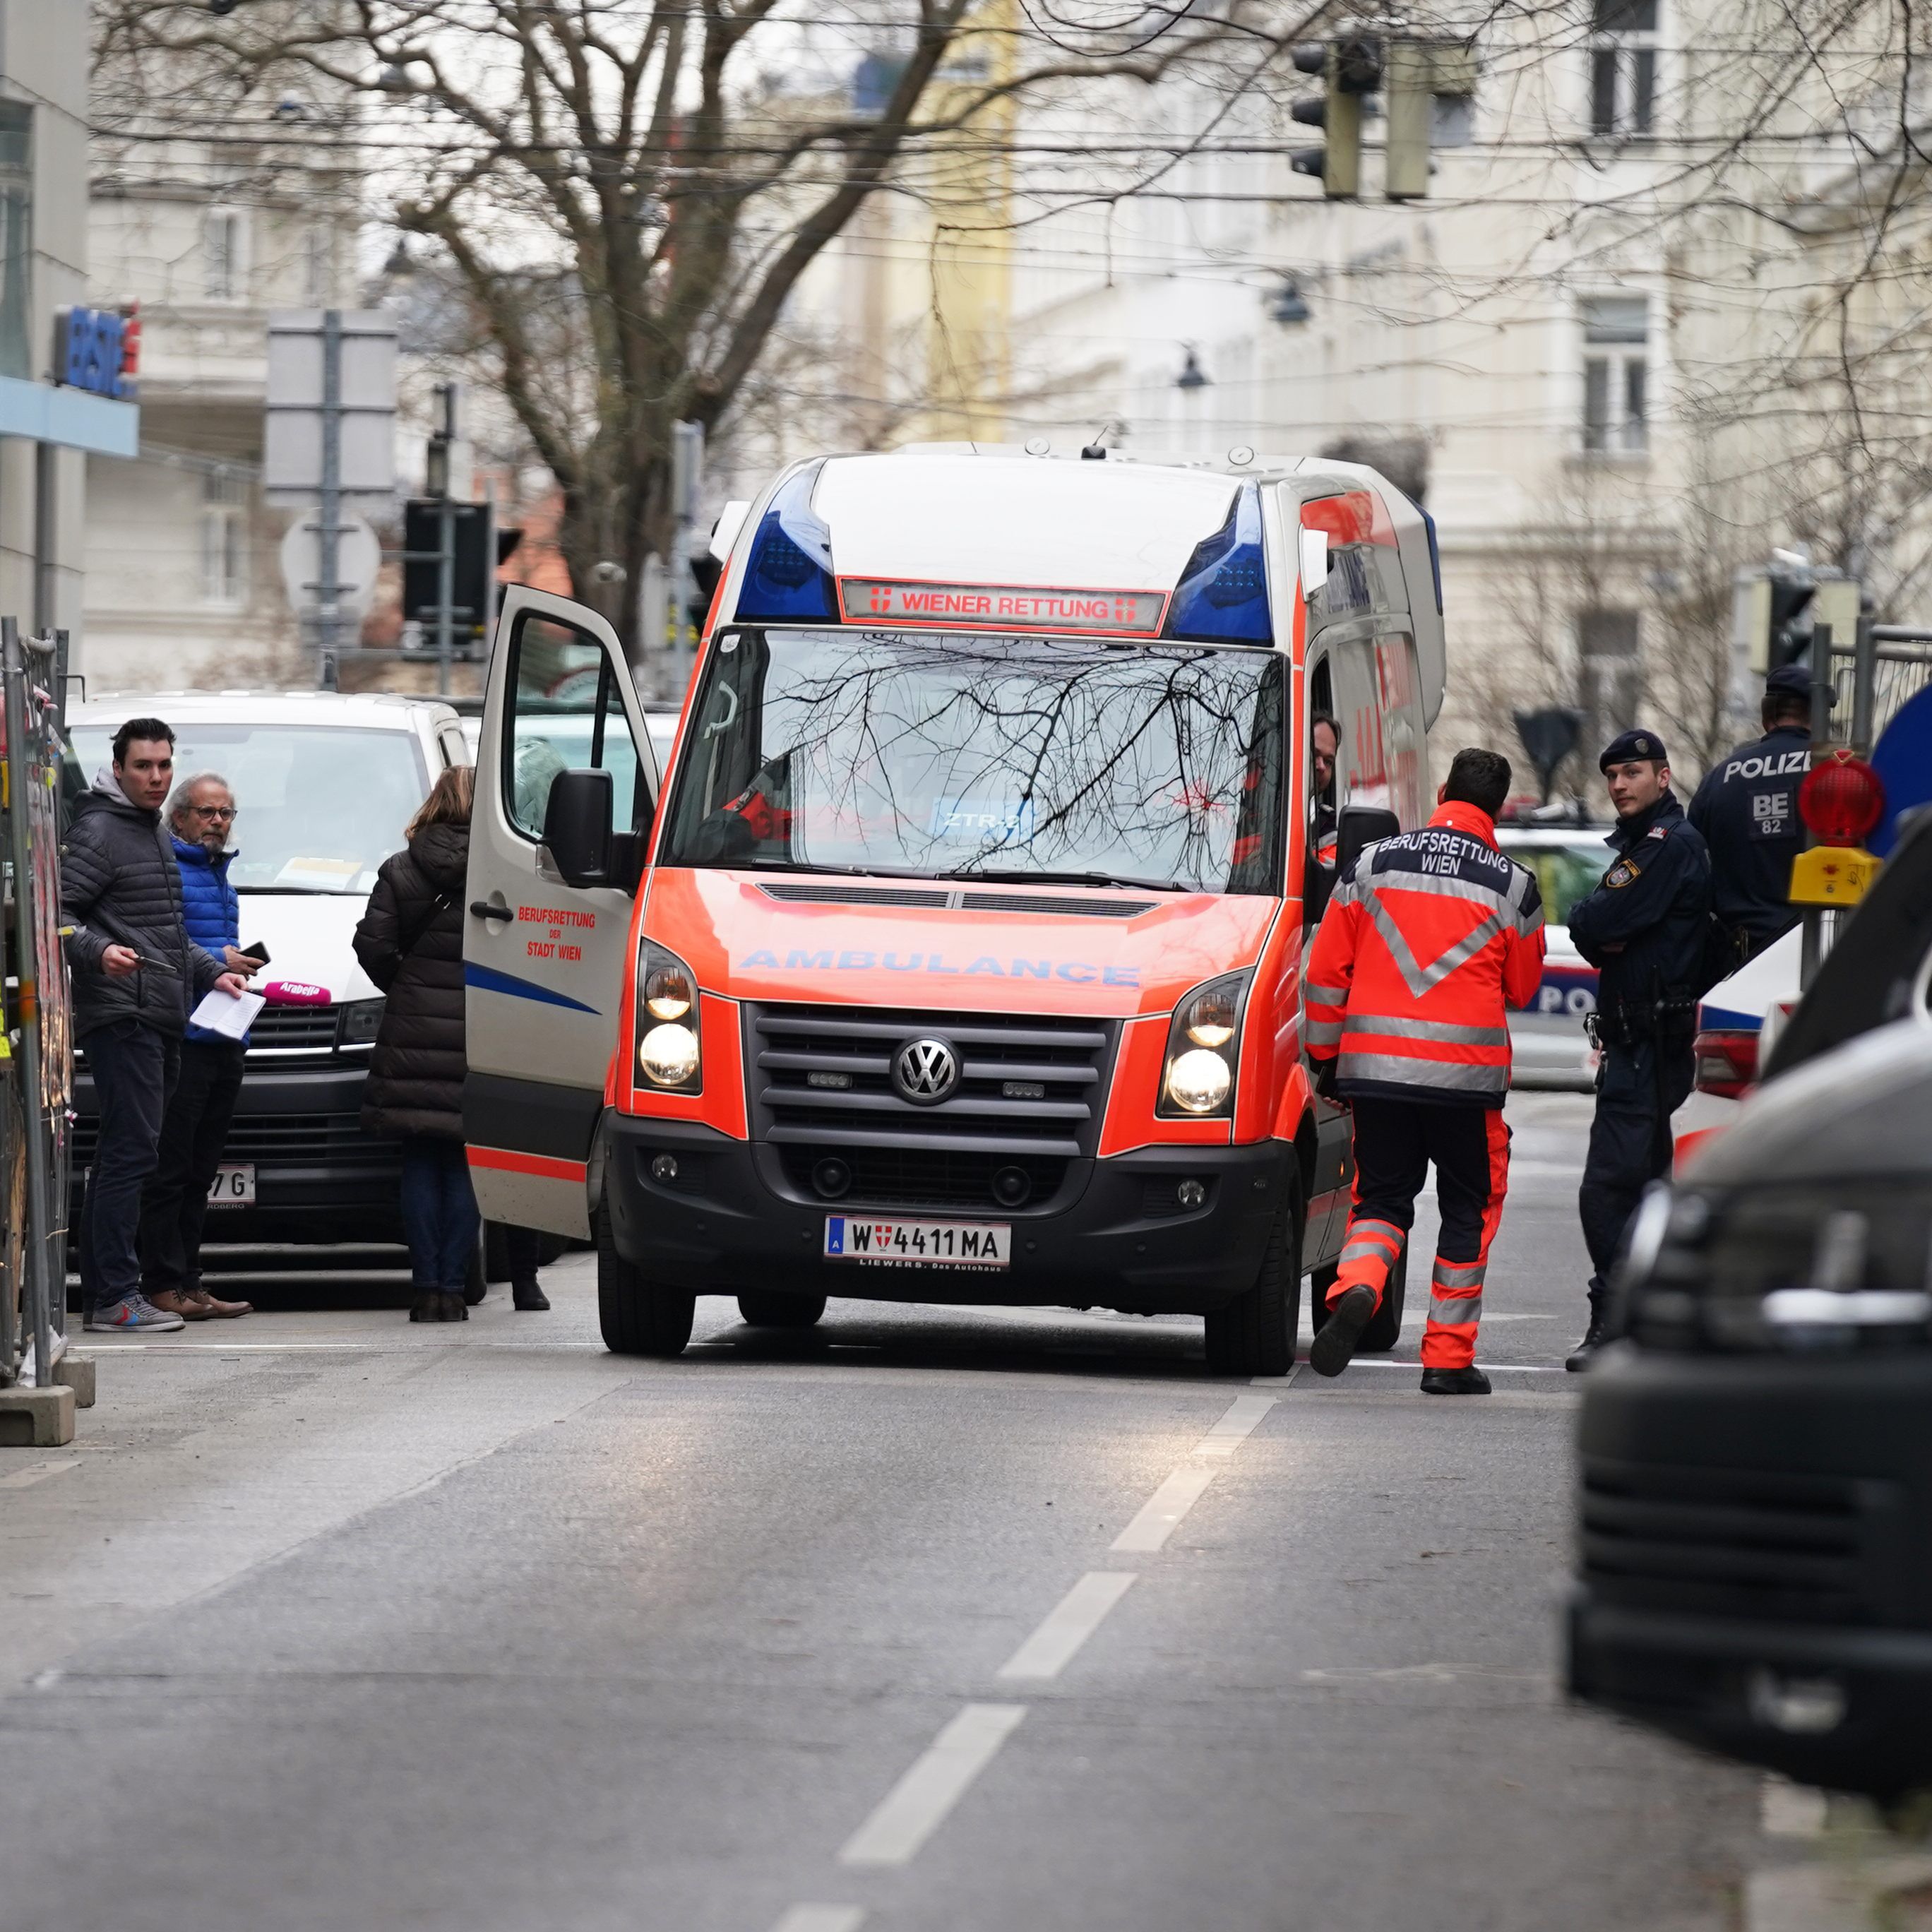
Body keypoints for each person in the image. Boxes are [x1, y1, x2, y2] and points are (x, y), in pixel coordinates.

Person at [1304, 747, 1546, 1394]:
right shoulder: (1514, 885)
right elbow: (1522, 987)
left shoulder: (1370, 864)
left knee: (1381, 1200)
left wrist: (1326, 1061)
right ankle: (1446, 1359)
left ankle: (1356, 1286)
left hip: (1376, 1075)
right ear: (1496, 808)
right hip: (1466, 1086)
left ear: (1442, 792)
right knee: (1468, 1207)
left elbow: (1324, 976)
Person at [62, 719, 250, 1333]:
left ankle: (112, 1295)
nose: (155, 776)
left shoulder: (153, 833)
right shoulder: (99, 831)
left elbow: (167, 936)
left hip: (162, 1011)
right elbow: (57, 914)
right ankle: (115, 1297)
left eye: (164, 765)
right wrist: (96, 952)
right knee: (130, 1154)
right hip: (124, 1015)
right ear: (118, 769)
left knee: (136, 1154)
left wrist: (209, 973)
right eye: (144, 766)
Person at [1566, 729, 1713, 1370]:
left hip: (1648, 1046)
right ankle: (1647, 1318)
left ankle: (1616, 1318)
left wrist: (1605, 927)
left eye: (1631, 772)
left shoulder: (1665, 845)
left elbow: (1596, 923)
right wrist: (1606, 929)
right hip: (1639, 1040)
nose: (1620, 784)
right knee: (1646, 1186)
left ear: (1664, 775)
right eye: (1612, 775)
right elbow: (1601, 931)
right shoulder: (1646, 845)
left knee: (1608, 1188)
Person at [353, 765, 482, 1323]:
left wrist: (406, 985)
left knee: (420, 1163)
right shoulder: (499, 873)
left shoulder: (401, 869)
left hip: (411, 1034)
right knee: (464, 1162)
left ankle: (424, 1287)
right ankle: (453, 1292)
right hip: (480, 1030)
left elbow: (373, 946)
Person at [137, 773, 258, 1320]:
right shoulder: (168, 870)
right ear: (180, 816)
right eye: (207, 812)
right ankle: (161, 1282)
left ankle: (190, 1283)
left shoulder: (219, 876)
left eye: (226, 813)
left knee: (200, 1170)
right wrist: (221, 958)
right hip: (182, 1038)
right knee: (172, 1168)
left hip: (224, 1037)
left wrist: (236, 963)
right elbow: (163, 942)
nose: (217, 822)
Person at [1688, 663, 1819, 962]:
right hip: (1818, 955)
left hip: (1738, 960)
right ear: (1818, 715)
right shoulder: (1836, 773)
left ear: (1766, 716)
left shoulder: (1719, 778)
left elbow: (1692, 866)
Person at [1311, 710, 1340, 866]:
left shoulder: (1331, 838)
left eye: (1328, 761)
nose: (1321, 766)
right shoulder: (1245, 819)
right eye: (1314, 754)